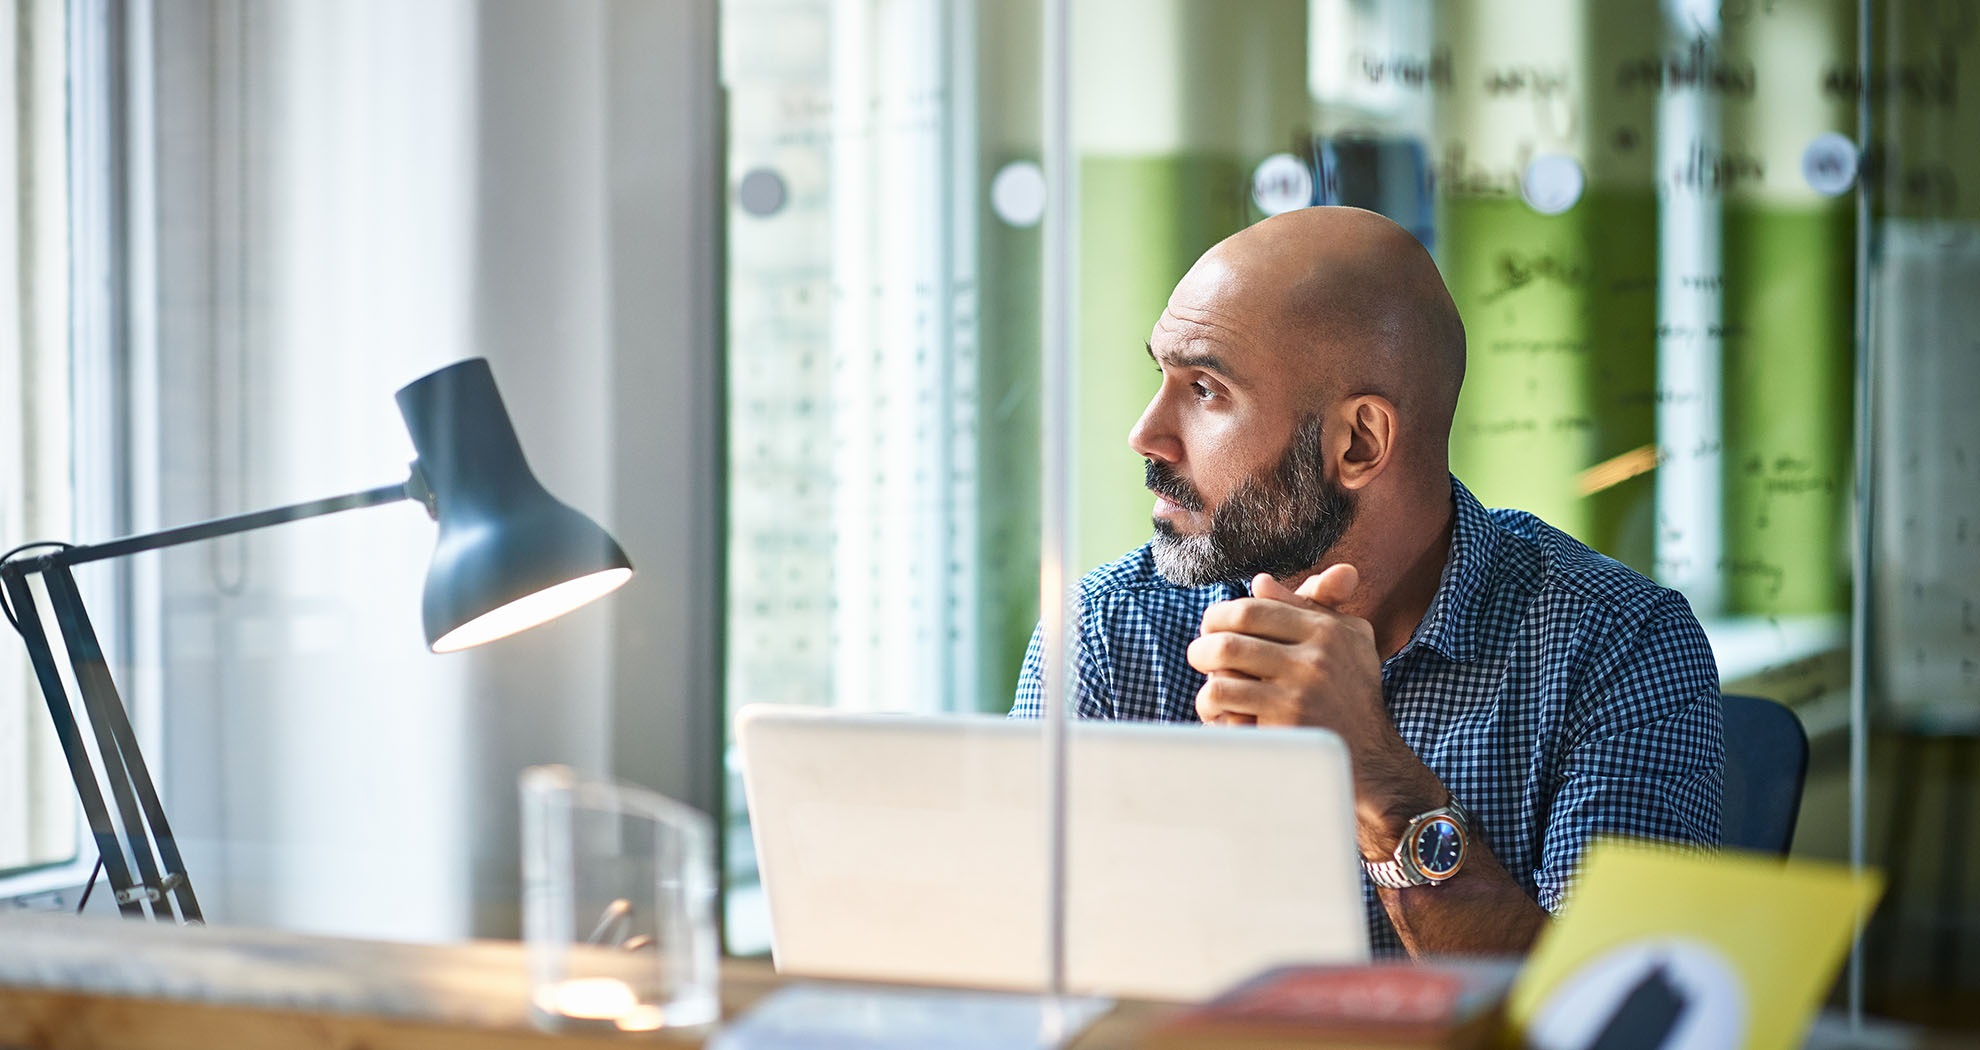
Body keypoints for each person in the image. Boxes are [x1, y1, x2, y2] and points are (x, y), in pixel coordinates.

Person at [1011, 205, 1722, 959]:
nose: (1146, 434)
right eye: (1163, 375)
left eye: (1207, 389)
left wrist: (1377, 777)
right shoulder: (1107, 632)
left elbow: (1613, 1022)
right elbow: (1010, 975)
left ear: (1358, 442)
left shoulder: (1622, 648)